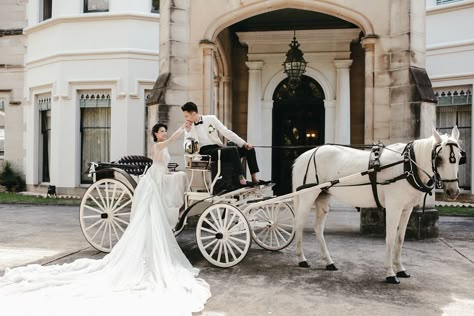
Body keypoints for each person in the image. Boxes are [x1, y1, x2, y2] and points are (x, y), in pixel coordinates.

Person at [0, 123, 211, 316]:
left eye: (165, 130)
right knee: (150, 217)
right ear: (156, 134)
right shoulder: (158, 145)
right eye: (161, 131)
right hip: (153, 183)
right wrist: (181, 129)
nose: (164, 133)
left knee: (175, 185)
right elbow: (170, 142)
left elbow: (166, 160)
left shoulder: (162, 147)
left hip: (159, 179)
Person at [181, 101, 267, 187]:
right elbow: (187, 146)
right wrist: (188, 132)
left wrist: (244, 143)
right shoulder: (189, 128)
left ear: (193, 113)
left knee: (248, 149)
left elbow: (226, 132)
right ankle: (241, 179)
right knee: (232, 149)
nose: (186, 119)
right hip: (205, 152)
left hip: (217, 148)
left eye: (186, 116)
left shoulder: (211, 119)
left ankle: (254, 178)